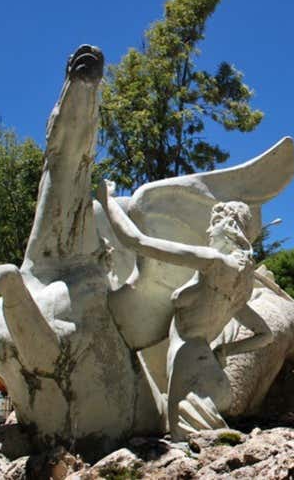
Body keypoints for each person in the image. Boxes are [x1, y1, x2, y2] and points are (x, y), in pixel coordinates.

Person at [95, 181, 273, 440]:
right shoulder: (241, 284)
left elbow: (137, 241)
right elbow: (264, 335)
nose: (209, 229)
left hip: (192, 371)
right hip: (209, 373)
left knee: (197, 454)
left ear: (230, 227)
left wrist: (107, 200)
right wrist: (225, 350)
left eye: (215, 222)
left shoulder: (213, 263)